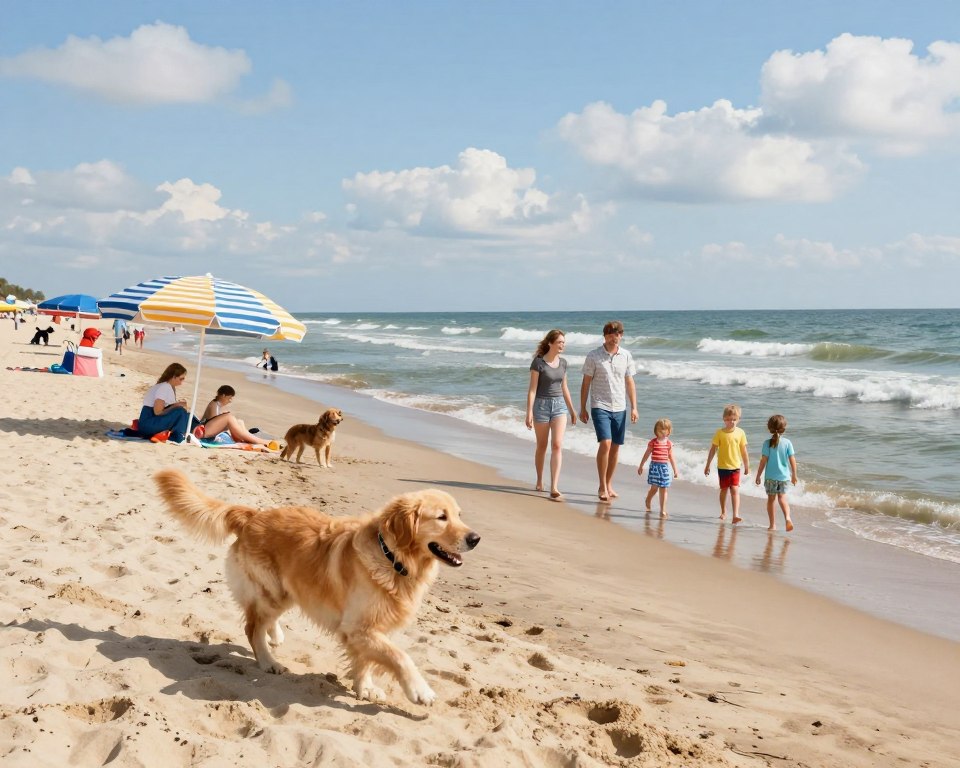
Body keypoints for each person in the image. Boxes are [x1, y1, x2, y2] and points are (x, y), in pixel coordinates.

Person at [579, 320, 638, 502]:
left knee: (615, 447)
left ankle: (609, 483)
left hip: (620, 406)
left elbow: (629, 382)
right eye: (612, 334)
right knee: (605, 443)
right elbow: (586, 382)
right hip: (600, 405)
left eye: (618, 334)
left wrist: (634, 407)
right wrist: (582, 407)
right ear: (605, 336)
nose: (615, 337)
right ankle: (602, 486)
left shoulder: (626, 355)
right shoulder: (594, 356)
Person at [525, 329, 577, 500]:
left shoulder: (563, 363)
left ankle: (554, 486)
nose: (563, 345)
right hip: (540, 405)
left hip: (559, 406)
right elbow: (532, 390)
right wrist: (529, 413)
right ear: (550, 343)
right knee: (542, 446)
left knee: (557, 445)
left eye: (563, 342)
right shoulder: (538, 363)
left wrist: (572, 409)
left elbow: (565, 387)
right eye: (560, 342)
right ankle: (539, 480)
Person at [703, 404, 750, 523]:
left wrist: (746, 465)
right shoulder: (720, 433)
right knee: (724, 489)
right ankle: (723, 511)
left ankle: (735, 515)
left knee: (735, 489)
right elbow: (713, 449)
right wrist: (707, 465)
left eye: (734, 419)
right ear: (724, 419)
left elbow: (744, 451)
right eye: (729, 420)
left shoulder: (741, 433)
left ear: (738, 420)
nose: (732, 422)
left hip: (736, 466)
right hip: (723, 466)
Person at [755, 414, 798, 531]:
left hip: (770, 477)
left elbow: (763, 461)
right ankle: (788, 518)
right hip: (784, 477)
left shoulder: (766, 443)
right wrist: (794, 474)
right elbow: (792, 460)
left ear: (769, 428)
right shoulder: (787, 443)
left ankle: (772, 525)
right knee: (782, 498)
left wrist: (758, 475)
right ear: (784, 428)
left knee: (771, 500)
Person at [198, 384, 276, 448]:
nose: (230, 401)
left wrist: (222, 416)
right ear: (223, 395)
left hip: (207, 429)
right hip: (205, 432)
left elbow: (213, 420)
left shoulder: (216, 404)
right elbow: (213, 421)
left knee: (239, 422)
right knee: (229, 418)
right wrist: (224, 418)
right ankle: (260, 441)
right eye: (229, 398)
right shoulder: (214, 405)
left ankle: (248, 438)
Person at [137, 363, 194, 443]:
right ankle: (178, 437)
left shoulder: (168, 386)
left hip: (148, 423)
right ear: (174, 377)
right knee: (181, 412)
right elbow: (157, 412)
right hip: (148, 424)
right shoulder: (164, 387)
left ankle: (182, 434)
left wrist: (175, 405)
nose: (182, 381)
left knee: (187, 415)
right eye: (181, 379)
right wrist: (176, 405)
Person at [637, 418, 679, 518]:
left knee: (664, 488)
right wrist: (641, 465)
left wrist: (675, 470)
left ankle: (663, 509)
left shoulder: (669, 443)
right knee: (654, 489)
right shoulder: (653, 442)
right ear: (656, 431)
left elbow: (671, 457)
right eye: (660, 430)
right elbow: (646, 454)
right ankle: (648, 499)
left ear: (669, 431)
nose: (663, 432)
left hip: (665, 468)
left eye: (665, 430)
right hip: (655, 467)